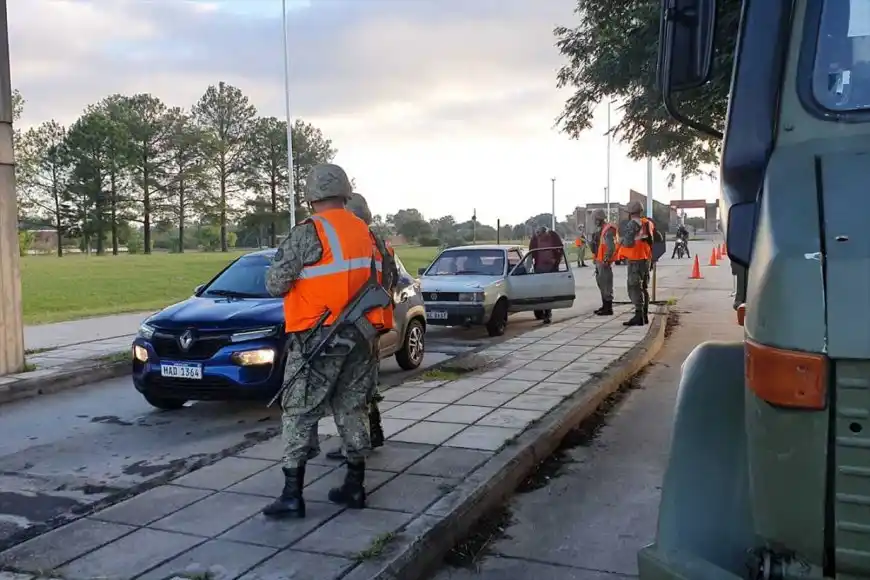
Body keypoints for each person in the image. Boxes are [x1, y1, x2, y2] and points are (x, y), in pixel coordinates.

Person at [262, 163, 386, 519]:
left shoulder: (308, 232)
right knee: (352, 407)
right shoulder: (367, 232)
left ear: (311, 196)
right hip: (361, 336)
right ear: (345, 192)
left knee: (299, 411)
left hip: (319, 338)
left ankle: (292, 495)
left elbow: (275, 284)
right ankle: (355, 486)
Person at [325, 192, 398, 462]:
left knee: (350, 389)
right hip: (376, 322)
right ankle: (374, 432)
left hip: (359, 323)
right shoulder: (381, 244)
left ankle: (355, 444)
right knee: (367, 382)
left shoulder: (359, 243)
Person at [619, 200, 655, 326]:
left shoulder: (632, 224)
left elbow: (628, 242)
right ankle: (644, 315)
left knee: (634, 287)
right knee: (644, 287)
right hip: (646, 258)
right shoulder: (648, 223)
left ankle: (638, 316)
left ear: (630, 213)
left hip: (635, 259)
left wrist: (621, 241)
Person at [529, 226, 563, 324]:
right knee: (538, 291)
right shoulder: (535, 239)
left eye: (542, 236)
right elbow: (531, 253)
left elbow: (560, 249)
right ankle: (539, 312)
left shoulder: (553, 236)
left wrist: (556, 261)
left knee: (548, 291)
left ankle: (548, 313)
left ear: (546, 233)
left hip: (551, 268)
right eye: (539, 236)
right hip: (539, 267)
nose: (540, 238)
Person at [589, 209, 616, 316]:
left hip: (604, 261)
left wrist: (606, 259)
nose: (594, 221)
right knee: (601, 283)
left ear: (598, 219)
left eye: (595, 219)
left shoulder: (607, 230)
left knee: (606, 285)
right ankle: (604, 306)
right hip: (599, 261)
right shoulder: (600, 230)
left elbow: (611, 247)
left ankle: (608, 308)